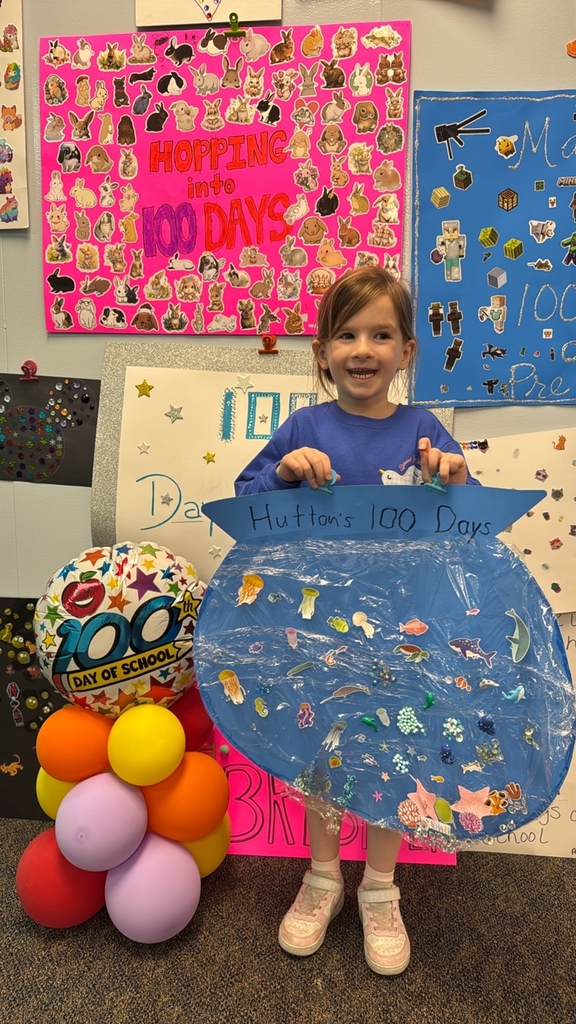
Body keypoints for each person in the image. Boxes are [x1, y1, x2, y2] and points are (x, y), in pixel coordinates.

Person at [234, 266, 479, 976]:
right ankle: (321, 878)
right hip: (319, 626)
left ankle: (378, 887)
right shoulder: (303, 425)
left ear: (407, 351)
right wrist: (283, 472)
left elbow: (471, 522)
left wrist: (457, 477)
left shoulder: (424, 429)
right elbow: (247, 497)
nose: (363, 349)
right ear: (322, 350)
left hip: (403, 628)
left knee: (386, 756)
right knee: (321, 750)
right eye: (347, 334)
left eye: (381, 334)